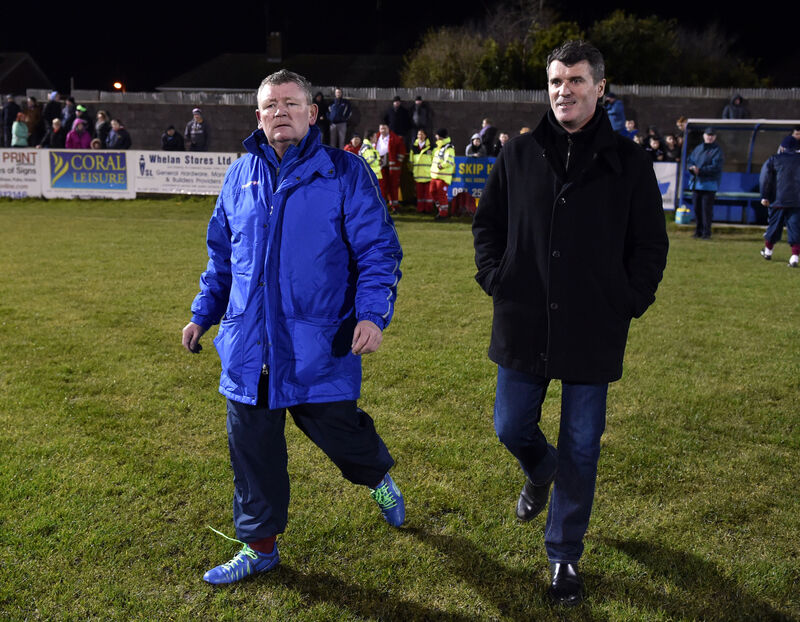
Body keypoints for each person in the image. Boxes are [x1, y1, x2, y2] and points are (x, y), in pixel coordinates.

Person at [181, 69, 404, 586]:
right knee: (253, 453)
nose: (279, 111)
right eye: (269, 104)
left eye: (290, 102)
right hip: (247, 347)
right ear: (257, 116)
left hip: (318, 346)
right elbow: (221, 257)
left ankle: (378, 478)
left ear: (312, 113)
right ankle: (260, 547)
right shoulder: (239, 176)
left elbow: (378, 251)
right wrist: (202, 313)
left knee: (343, 438)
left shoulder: (344, 173)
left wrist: (371, 314)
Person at [472, 40, 668, 607]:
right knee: (511, 427)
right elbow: (488, 228)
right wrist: (497, 277)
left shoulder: (629, 161)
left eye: (576, 81)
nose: (564, 91)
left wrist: (628, 299)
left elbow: (650, 244)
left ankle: (564, 555)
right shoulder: (519, 153)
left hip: (593, 324)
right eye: (556, 82)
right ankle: (539, 471)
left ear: (600, 88)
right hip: (524, 318)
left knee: (582, 446)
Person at [759, 136, 800, 267]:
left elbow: (767, 180)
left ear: (782, 147)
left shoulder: (774, 159)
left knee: (774, 226)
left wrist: (765, 196)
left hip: (778, 200)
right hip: (797, 201)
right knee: (795, 228)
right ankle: (794, 257)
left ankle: (768, 251)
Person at [687, 127, 723, 239]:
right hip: (696, 184)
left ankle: (706, 233)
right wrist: (691, 168)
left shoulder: (717, 150)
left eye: (712, 135)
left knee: (706, 211)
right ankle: (698, 231)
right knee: (697, 209)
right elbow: (690, 160)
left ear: (715, 137)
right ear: (704, 136)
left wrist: (701, 171)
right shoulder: (698, 148)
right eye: (708, 135)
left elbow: (716, 167)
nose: (710, 137)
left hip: (709, 185)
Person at [376, 122, 406, 214]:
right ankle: (382, 207)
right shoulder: (376, 137)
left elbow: (402, 152)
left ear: (388, 129)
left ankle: (395, 207)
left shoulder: (395, 138)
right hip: (380, 166)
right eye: (381, 128)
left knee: (393, 187)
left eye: (384, 128)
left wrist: (397, 163)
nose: (382, 130)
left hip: (392, 167)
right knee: (382, 186)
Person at [430, 128, 455, 220]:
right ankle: (440, 210)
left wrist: (441, 166)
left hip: (443, 176)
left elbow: (449, 161)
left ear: (439, 136)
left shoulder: (449, 148)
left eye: (437, 135)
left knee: (441, 195)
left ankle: (443, 214)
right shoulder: (438, 147)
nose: (435, 136)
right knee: (432, 192)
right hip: (435, 175)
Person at [410, 129, 433, 213]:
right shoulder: (414, 147)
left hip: (428, 174)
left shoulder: (431, 147)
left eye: (421, 134)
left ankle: (428, 209)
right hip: (418, 174)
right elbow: (411, 160)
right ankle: (420, 209)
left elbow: (433, 160)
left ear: (425, 135)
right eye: (418, 134)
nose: (420, 136)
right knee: (419, 194)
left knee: (428, 194)